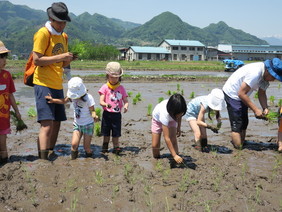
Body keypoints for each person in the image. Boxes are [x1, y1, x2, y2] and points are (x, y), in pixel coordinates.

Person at [32, 2, 76, 159]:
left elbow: (61, 63)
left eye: (64, 22)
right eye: (59, 22)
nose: (62, 25)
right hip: (43, 82)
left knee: (57, 121)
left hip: (57, 82)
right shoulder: (43, 34)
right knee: (47, 123)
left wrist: (69, 59)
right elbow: (36, 60)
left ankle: (50, 150)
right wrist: (62, 56)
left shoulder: (64, 36)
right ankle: (43, 158)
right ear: (51, 19)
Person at [223, 58, 282, 149]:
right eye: (274, 77)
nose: (273, 80)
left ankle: (242, 141)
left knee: (244, 121)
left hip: (243, 94)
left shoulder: (265, 77)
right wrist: (255, 109)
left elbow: (262, 93)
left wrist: (265, 108)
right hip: (232, 93)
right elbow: (241, 93)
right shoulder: (255, 73)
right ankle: (238, 148)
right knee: (237, 122)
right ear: (268, 71)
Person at [45, 77, 99, 159]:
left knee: (86, 148)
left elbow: (93, 110)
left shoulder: (88, 98)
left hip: (88, 125)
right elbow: (63, 101)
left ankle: (90, 156)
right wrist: (53, 100)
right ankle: (73, 160)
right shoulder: (71, 97)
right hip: (77, 124)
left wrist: (94, 115)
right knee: (74, 145)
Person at [99, 62, 129, 154]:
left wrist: (126, 106)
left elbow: (126, 100)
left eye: (116, 77)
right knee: (106, 133)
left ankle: (116, 148)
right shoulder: (105, 87)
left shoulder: (121, 88)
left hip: (116, 115)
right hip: (107, 114)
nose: (114, 79)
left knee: (116, 133)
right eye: (112, 77)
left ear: (119, 77)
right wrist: (105, 104)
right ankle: (105, 147)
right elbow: (101, 101)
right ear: (107, 76)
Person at [0, 41, 22, 163]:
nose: (4, 60)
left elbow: (10, 95)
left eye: (5, 57)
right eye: (2, 57)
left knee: (2, 142)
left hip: (3, 117)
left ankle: (4, 162)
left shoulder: (6, 76)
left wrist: (17, 112)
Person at [151, 93, 187, 163]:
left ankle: (177, 159)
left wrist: (178, 127)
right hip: (157, 120)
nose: (180, 115)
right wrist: (174, 156)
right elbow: (167, 138)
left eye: (181, 113)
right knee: (155, 145)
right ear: (173, 111)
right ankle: (157, 158)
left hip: (172, 119)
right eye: (178, 113)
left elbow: (179, 116)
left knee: (173, 139)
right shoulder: (165, 114)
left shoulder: (179, 108)